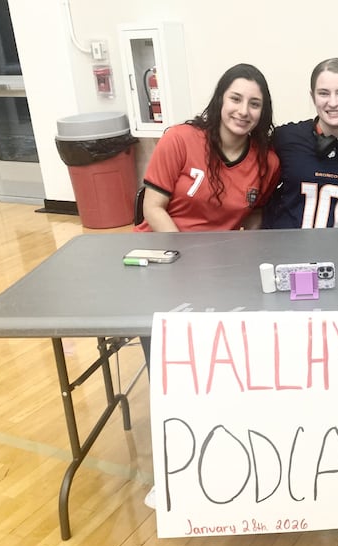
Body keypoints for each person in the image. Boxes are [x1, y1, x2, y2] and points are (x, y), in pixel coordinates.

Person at [137, 63, 281, 365]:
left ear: (263, 111)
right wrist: (184, 258)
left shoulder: (267, 162)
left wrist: (243, 257)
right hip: (163, 256)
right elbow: (152, 207)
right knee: (169, 352)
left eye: (254, 104)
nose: (243, 111)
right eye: (235, 99)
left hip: (218, 265)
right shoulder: (179, 139)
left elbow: (254, 214)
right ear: (220, 99)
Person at [261, 57, 338, 229]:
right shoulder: (286, 137)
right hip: (287, 245)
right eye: (323, 93)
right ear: (313, 96)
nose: (333, 102)